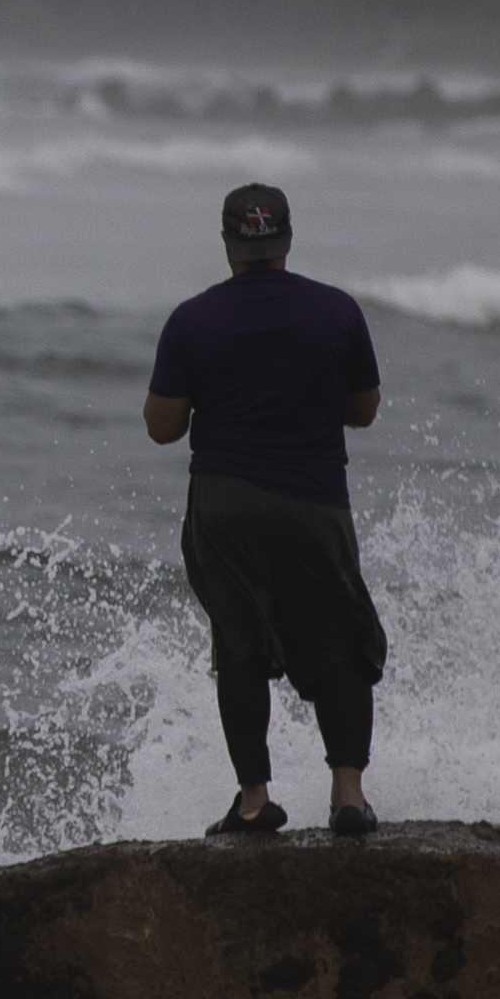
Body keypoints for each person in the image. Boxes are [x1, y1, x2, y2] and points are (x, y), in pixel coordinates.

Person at [142, 180, 389, 836]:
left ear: (227, 243)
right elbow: (362, 410)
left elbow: (162, 427)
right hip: (312, 502)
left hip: (224, 505)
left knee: (239, 646)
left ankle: (253, 802)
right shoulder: (335, 313)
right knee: (339, 642)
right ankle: (346, 797)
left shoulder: (191, 320)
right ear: (286, 239)